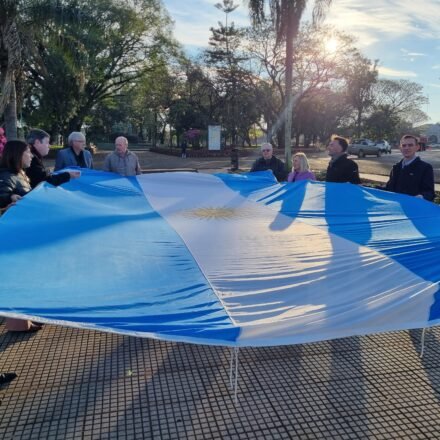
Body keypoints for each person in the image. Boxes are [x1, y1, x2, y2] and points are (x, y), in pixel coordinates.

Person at [0, 140, 42, 332]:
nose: (31, 155)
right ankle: (17, 324)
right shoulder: (7, 176)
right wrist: (10, 198)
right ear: (18, 154)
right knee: (15, 279)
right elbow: (3, 197)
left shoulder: (19, 174)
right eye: (28, 152)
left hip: (21, 237)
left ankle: (22, 320)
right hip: (13, 239)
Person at [385, 134, 435, 201]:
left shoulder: (425, 168)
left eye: (410, 145)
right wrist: (367, 188)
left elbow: (430, 193)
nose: (406, 148)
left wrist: (422, 197)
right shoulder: (395, 168)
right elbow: (388, 189)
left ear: (417, 147)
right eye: (404, 145)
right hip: (397, 208)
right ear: (400, 148)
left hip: (414, 209)